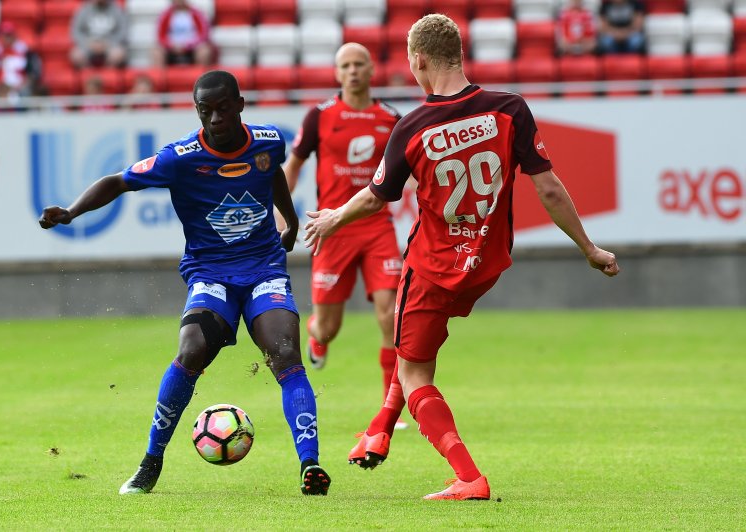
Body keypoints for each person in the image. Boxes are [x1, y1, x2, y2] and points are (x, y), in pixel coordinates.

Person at [304, 14, 620, 501]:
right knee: (415, 352)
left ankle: (468, 477)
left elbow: (373, 197)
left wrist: (331, 219)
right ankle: (379, 429)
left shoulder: (412, 126)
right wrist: (590, 248)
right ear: (460, 55)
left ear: (420, 60)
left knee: (412, 373)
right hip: (485, 264)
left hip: (432, 265)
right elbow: (550, 189)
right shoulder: (510, 109)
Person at [39, 70, 331, 497]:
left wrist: (286, 222)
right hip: (210, 273)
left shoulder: (268, 141)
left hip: (265, 269)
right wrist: (70, 212)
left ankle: (311, 465)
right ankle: (150, 462)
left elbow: (272, 177)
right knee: (192, 349)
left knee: (286, 353)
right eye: (204, 110)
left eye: (223, 108)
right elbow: (117, 182)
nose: (214, 118)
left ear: (240, 105)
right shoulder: (179, 157)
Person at [282, 43, 407, 426]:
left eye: (359, 64)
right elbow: (294, 164)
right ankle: (316, 334)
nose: (352, 71)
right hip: (331, 227)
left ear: (371, 70)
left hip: (375, 225)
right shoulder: (320, 116)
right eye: (345, 65)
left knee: (391, 314)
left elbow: (410, 172)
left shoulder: (391, 118)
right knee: (329, 325)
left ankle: (391, 405)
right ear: (337, 74)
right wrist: (282, 216)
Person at [0, 21, 41, 98]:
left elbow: (32, 74)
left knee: (25, 93)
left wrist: (21, 85)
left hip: (19, 87)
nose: (7, 38)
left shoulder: (26, 53)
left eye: (9, 35)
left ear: (15, 35)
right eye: (4, 35)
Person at [154, 0, 214, 67]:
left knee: (204, 51)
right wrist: (171, 46)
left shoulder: (197, 13)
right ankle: (160, 76)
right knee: (156, 52)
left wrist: (188, 46)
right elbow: (160, 36)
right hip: (171, 49)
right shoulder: (165, 14)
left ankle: (200, 74)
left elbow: (203, 34)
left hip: (192, 49)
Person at [70, 0, 128, 68]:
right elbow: (76, 31)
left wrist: (108, 43)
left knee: (118, 54)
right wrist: (88, 43)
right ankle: (89, 76)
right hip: (88, 44)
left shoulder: (117, 9)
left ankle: (107, 76)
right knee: (76, 55)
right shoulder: (84, 9)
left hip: (110, 45)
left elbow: (123, 31)